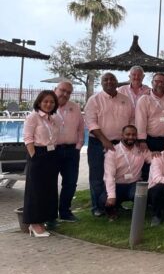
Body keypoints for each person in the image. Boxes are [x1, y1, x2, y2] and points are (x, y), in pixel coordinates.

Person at [84, 72, 133, 216]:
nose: (109, 82)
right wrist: (104, 140)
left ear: (117, 82)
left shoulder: (125, 100)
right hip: (98, 142)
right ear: (101, 83)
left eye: (112, 79)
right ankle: (98, 207)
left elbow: (131, 120)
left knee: (117, 174)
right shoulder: (94, 100)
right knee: (97, 175)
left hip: (120, 143)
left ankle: (114, 204)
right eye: (106, 79)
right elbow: (91, 123)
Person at [23, 90, 60, 237]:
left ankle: (43, 220)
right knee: (35, 190)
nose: (49, 104)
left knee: (48, 189)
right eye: (45, 101)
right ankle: (34, 223)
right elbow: (28, 138)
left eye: (52, 102)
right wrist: (34, 156)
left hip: (51, 154)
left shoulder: (53, 118)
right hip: (38, 154)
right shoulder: (33, 117)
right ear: (39, 102)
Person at [102, 125, 153, 220]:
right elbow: (109, 176)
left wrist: (158, 154)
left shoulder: (141, 149)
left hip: (134, 184)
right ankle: (113, 210)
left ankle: (139, 210)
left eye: (133, 135)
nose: (131, 137)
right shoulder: (112, 151)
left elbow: (154, 161)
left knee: (144, 194)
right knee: (103, 200)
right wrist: (111, 196)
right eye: (128, 134)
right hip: (117, 185)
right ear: (122, 135)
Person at [53, 80, 84, 222]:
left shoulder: (75, 107)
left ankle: (65, 212)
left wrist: (78, 147)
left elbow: (81, 128)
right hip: (52, 151)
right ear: (55, 89)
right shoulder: (47, 105)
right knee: (50, 183)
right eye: (62, 90)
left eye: (68, 92)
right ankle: (50, 213)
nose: (65, 94)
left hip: (71, 151)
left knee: (70, 182)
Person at [135, 72, 164, 180]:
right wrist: (142, 141)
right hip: (150, 140)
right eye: (157, 81)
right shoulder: (144, 99)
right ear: (152, 82)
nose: (160, 84)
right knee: (149, 167)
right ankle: (149, 189)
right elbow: (140, 121)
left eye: (163, 82)